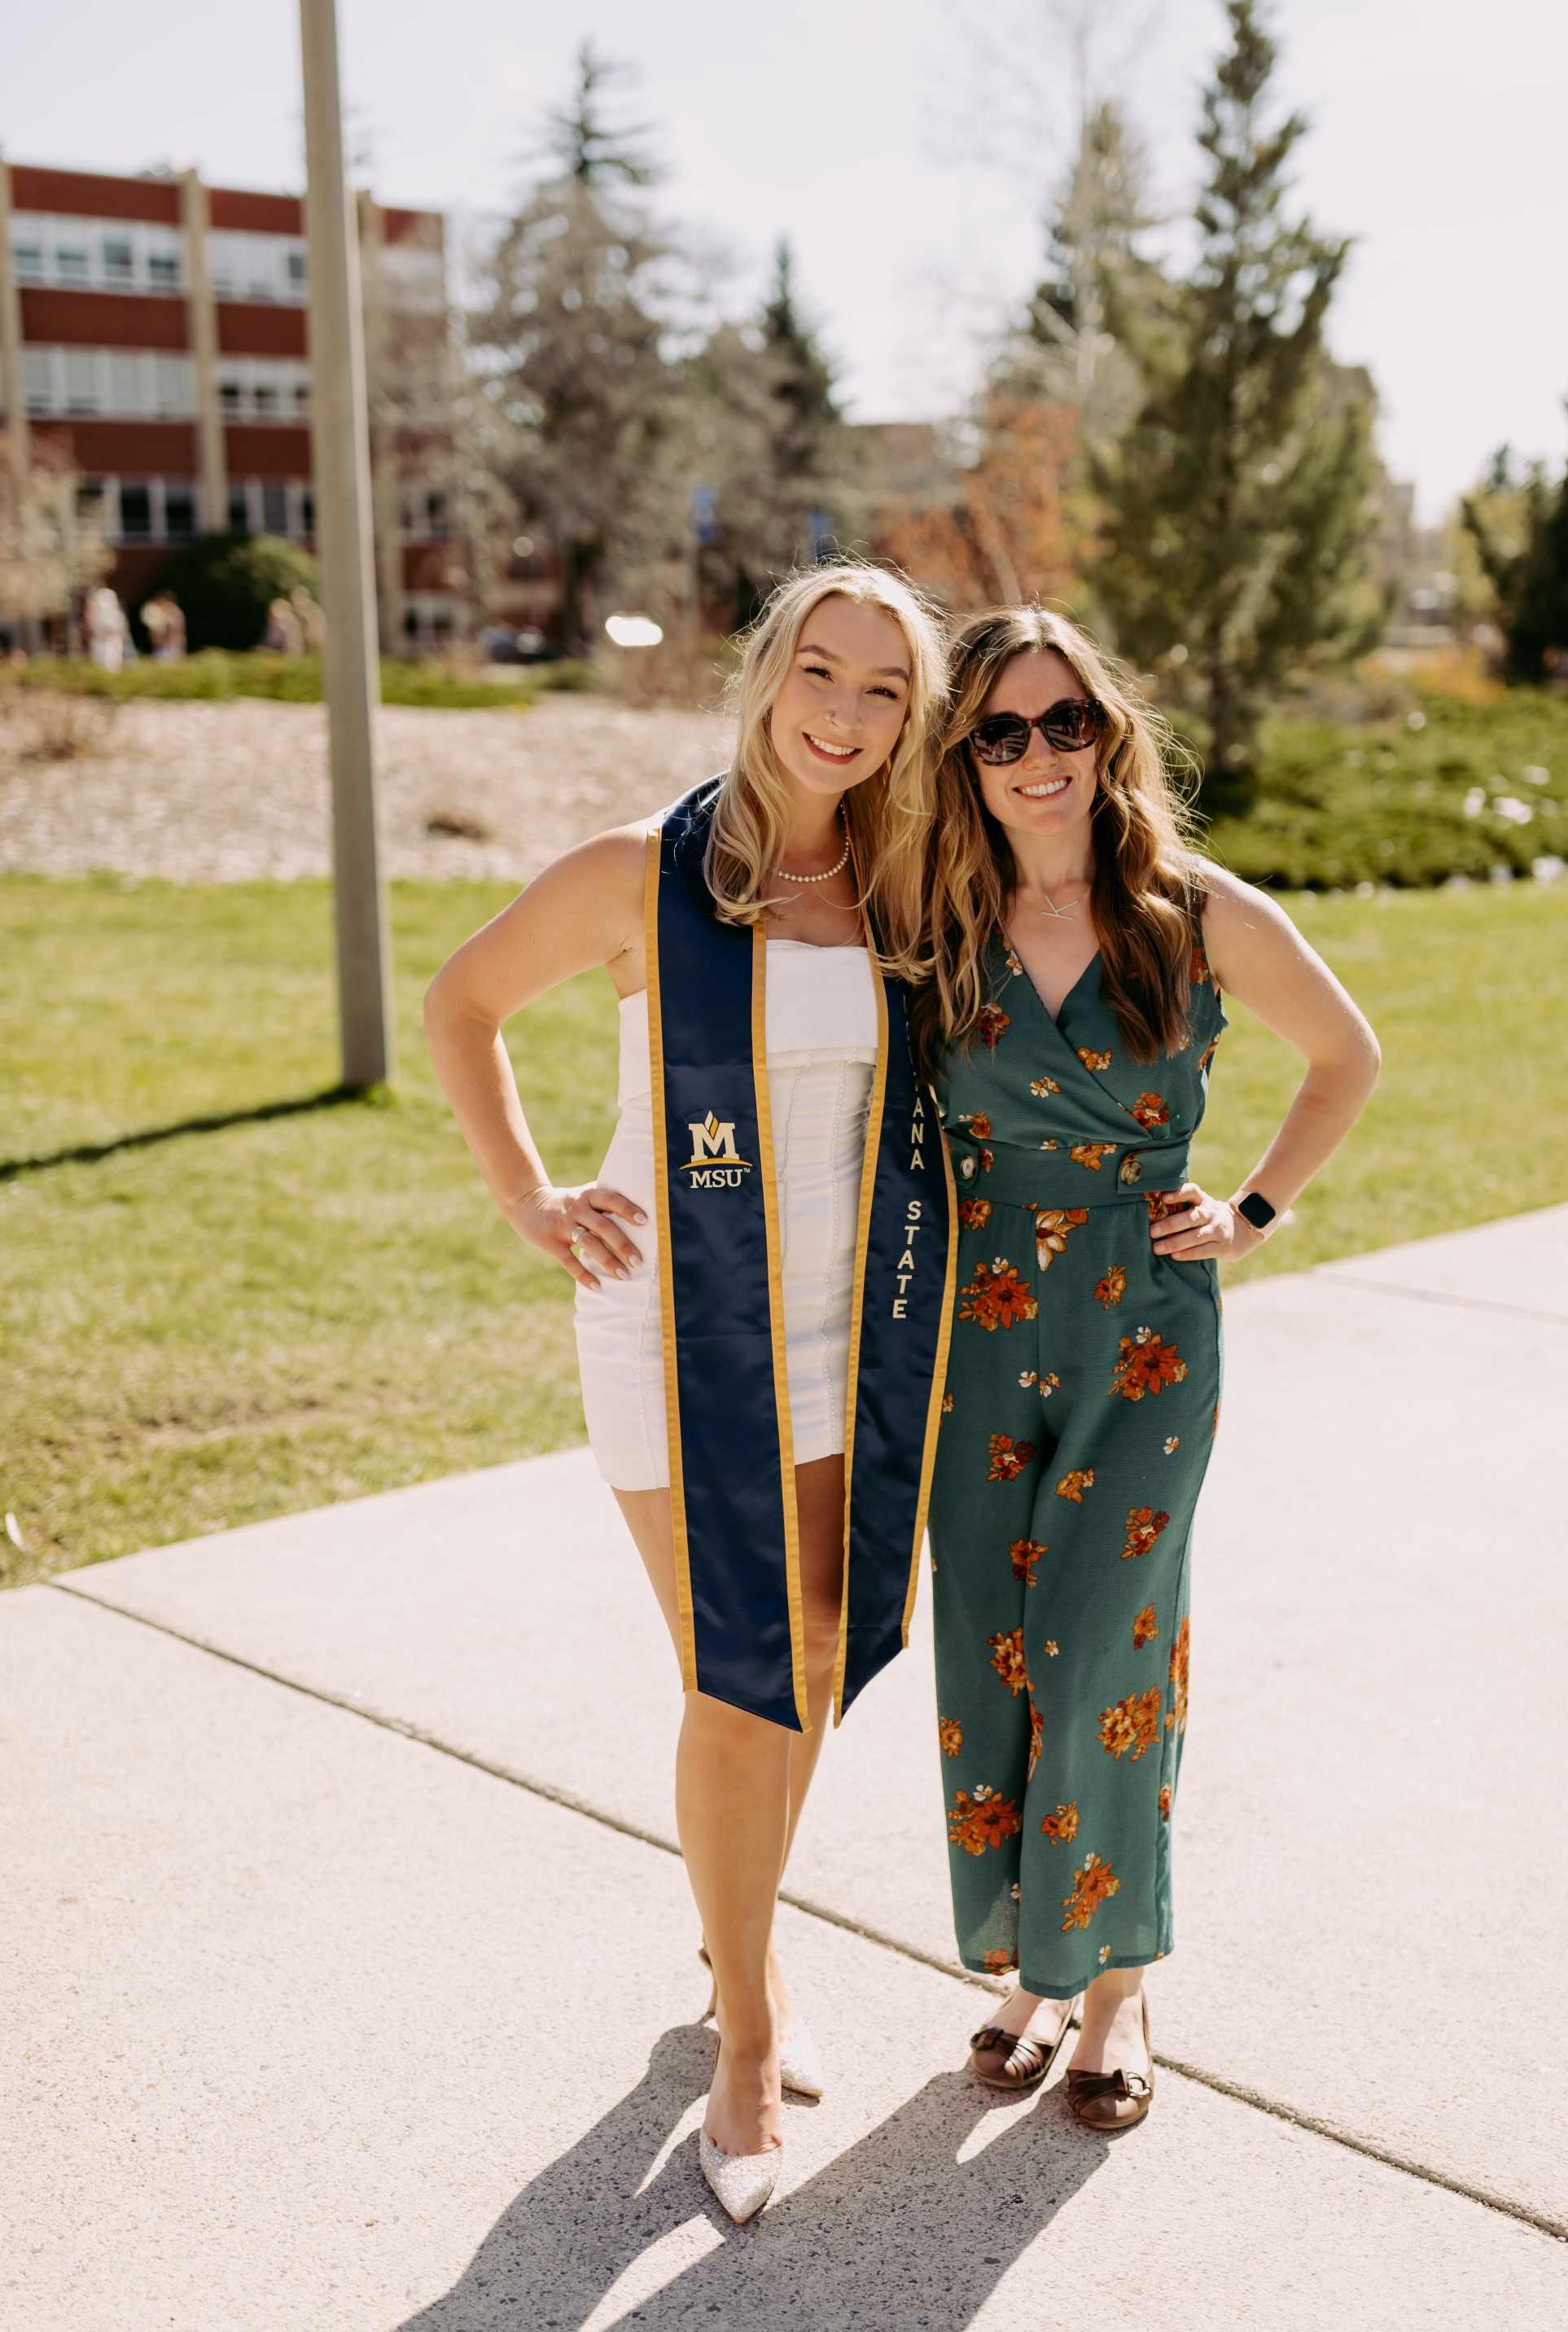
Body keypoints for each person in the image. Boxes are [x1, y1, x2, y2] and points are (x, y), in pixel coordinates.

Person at [424, 567, 953, 2223]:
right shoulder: (645, 877)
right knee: (740, 1684)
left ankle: (740, 1944)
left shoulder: (908, 886)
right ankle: (744, 2033)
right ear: (768, 673)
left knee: (806, 1665)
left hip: (838, 1338)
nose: (846, 714)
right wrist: (527, 1197)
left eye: (885, 690)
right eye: (822, 671)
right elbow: (463, 1005)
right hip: (673, 1328)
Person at [914, 609, 1380, 2133]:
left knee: (1101, 1641)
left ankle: (1114, 1986)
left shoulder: (1190, 912)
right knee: (992, 1638)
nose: (1037, 757)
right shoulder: (936, 918)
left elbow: (1347, 1054)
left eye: (1065, 724)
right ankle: (1037, 1966)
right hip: (983, 1329)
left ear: (1108, 734)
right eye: (1000, 732)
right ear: (965, 759)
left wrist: (1250, 1210)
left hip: (1146, 1323)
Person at [84, 584, 126, 672]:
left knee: (112, 660)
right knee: (102, 660)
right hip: (101, 641)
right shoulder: (99, 614)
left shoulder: (112, 612)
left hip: (111, 641)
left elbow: (117, 627)